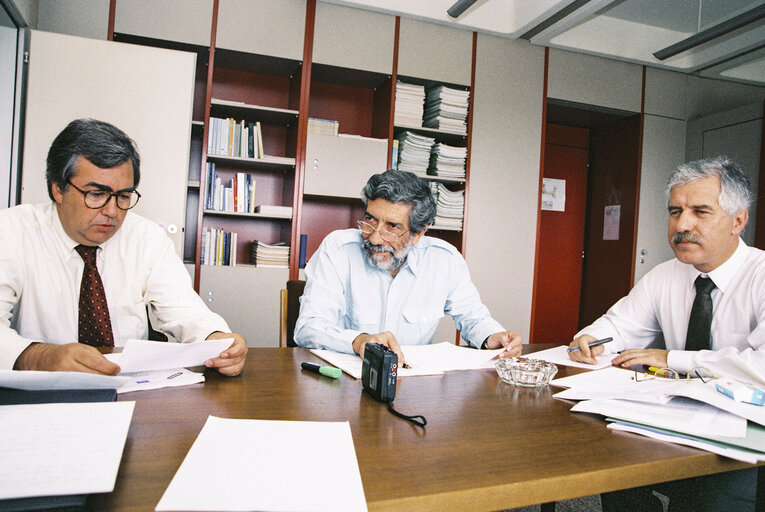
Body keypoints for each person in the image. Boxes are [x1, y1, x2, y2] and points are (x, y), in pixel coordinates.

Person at [569, 156, 764, 511]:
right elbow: (619, 326)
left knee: (708, 498)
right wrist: (591, 337)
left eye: (700, 212)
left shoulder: (761, 276)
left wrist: (673, 359)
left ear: (738, 220)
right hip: (675, 415)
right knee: (614, 466)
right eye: (675, 211)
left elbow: (762, 367)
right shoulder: (666, 274)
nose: (682, 224)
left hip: (743, 429)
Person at [0, 118, 247, 376]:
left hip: (129, 387)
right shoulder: (12, 232)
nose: (112, 211)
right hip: (40, 398)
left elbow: (185, 310)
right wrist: (39, 357)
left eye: (124, 196)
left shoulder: (146, 237)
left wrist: (218, 340)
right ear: (58, 189)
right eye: (96, 195)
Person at [294, 169, 522, 363]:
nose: (374, 238)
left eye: (392, 226)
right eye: (370, 220)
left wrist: (492, 336)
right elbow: (308, 327)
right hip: (343, 379)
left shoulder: (444, 259)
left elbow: (473, 317)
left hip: (413, 385)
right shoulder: (338, 249)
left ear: (418, 233)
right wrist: (358, 340)